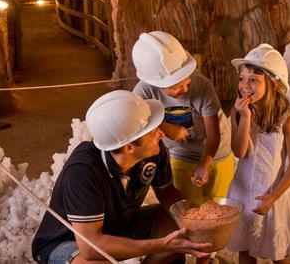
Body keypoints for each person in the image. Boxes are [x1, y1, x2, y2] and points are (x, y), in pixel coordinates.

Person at [32, 90, 211, 264]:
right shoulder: (83, 170)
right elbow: (90, 247)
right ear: (129, 148)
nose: (161, 134)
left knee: (181, 226)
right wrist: (160, 245)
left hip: (119, 224)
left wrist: (199, 223)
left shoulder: (153, 151)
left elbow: (168, 194)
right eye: (152, 132)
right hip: (70, 241)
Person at [225, 43, 290, 264]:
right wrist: (246, 118)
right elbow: (240, 152)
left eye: (254, 80)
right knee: (245, 249)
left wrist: (273, 196)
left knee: (278, 253)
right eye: (242, 78)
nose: (245, 85)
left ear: (273, 84)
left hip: (272, 193)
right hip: (242, 192)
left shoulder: (285, 117)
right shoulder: (238, 113)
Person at [132, 31, 234, 200]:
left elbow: (214, 136)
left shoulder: (203, 87)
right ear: (156, 83)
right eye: (176, 86)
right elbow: (135, 122)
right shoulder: (143, 92)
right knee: (184, 206)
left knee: (217, 206)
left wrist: (204, 165)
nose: (185, 89)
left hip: (216, 152)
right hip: (180, 153)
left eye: (186, 80)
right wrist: (165, 127)